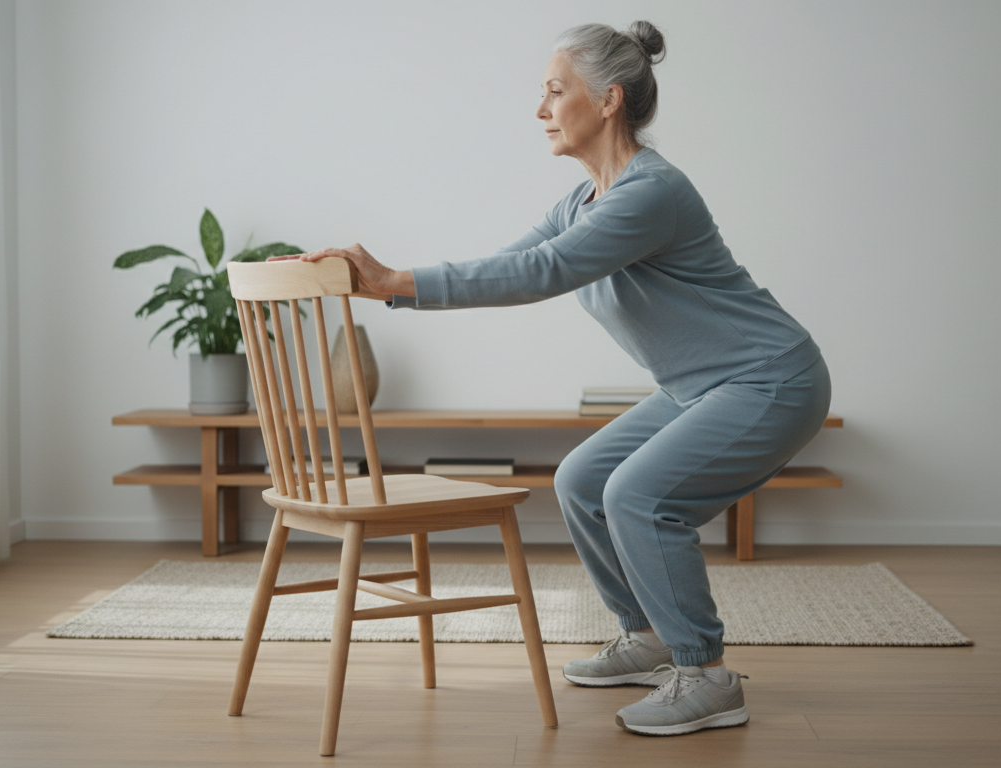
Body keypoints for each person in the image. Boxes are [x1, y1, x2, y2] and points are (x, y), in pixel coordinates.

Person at [281, 21, 832, 736]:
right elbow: (505, 264)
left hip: (769, 380)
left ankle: (707, 675)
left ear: (607, 101)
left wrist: (392, 280)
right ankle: (649, 637)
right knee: (580, 481)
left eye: (553, 91)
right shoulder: (581, 203)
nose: (539, 109)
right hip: (697, 387)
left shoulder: (650, 193)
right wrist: (387, 285)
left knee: (638, 495)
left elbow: (539, 274)